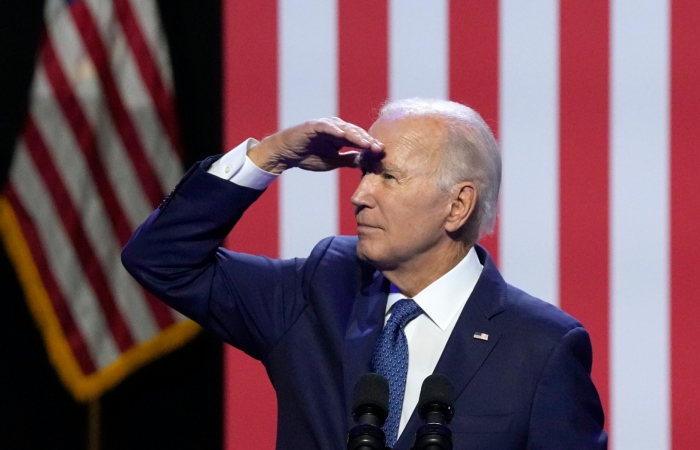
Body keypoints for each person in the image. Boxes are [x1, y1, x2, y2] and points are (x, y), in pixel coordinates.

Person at [122, 98, 607, 449]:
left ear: (457, 206)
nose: (359, 196)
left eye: (387, 176)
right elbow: (161, 259)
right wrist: (271, 155)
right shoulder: (319, 290)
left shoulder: (540, 347)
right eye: (363, 173)